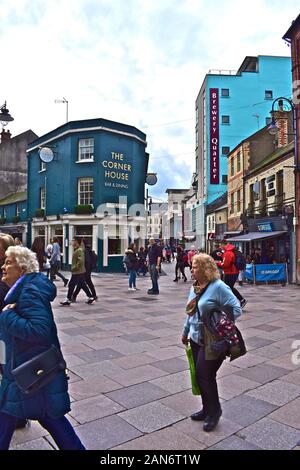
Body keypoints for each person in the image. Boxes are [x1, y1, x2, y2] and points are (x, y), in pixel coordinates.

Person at [0, 246, 85, 450]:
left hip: (32, 376)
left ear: (22, 269)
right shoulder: (23, 289)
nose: (3, 266)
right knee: (50, 420)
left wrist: (6, 316)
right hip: (26, 374)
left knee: (51, 420)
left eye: (8, 262)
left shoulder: (29, 292)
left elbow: (39, 330)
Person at [182, 253, 242, 432]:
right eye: (191, 266)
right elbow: (190, 312)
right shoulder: (195, 287)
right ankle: (207, 408)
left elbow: (236, 308)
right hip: (195, 338)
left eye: (194, 267)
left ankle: (214, 412)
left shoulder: (218, 286)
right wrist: (185, 332)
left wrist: (218, 321)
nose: (191, 269)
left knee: (204, 375)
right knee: (201, 377)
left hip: (213, 339)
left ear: (204, 269)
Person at [60, 237, 94, 306]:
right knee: (82, 284)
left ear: (76, 242)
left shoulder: (79, 250)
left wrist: (74, 268)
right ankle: (90, 297)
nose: (72, 242)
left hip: (77, 272)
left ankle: (68, 299)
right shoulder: (78, 250)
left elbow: (81, 261)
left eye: (73, 240)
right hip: (79, 271)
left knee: (71, 285)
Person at [217, 244, 247, 308]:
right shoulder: (231, 252)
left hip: (230, 272)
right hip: (233, 272)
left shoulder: (228, 253)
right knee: (229, 287)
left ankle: (238, 301)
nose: (220, 247)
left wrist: (217, 263)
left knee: (227, 288)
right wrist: (222, 256)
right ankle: (240, 300)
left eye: (220, 245)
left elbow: (225, 265)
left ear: (224, 245)